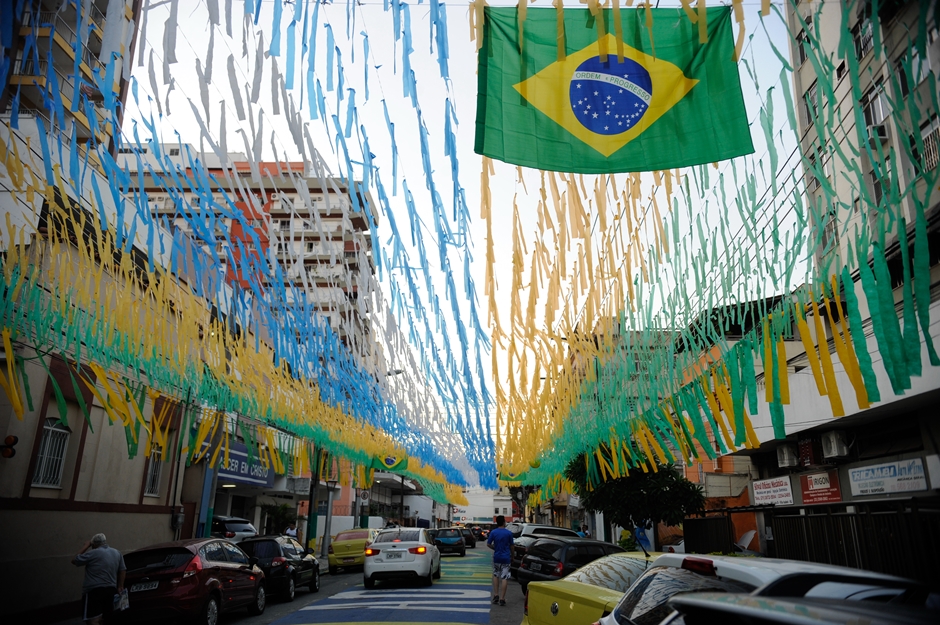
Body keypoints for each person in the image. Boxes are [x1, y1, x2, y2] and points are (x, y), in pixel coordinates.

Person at [72, 533, 126, 625]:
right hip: (111, 590)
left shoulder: (92, 553)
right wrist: (120, 586)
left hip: (94, 592)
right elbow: (122, 570)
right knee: (109, 618)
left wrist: (86, 546)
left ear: (94, 544)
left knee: (93, 620)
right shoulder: (117, 553)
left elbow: (74, 560)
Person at [486, 515, 514, 607]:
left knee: (496, 575)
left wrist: (495, 548)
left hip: (497, 557)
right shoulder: (509, 533)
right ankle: (502, 598)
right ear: (504, 522)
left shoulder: (494, 532)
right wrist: (512, 556)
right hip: (506, 558)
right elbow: (512, 546)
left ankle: (496, 594)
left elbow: (488, 544)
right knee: (504, 577)